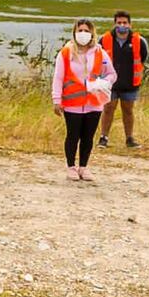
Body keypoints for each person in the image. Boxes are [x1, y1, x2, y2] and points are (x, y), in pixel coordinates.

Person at [52, 19, 116, 181]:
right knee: (73, 135)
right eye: (80, 30)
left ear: (92, 33)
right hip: (72, 103)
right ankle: (71, 166)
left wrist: (104, 83)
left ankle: (84, 167)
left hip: (94, 102)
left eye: (86, 31)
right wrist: (56, 99)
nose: (83, 34)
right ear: (74, 33)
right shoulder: (66, 53)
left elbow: (111, 73)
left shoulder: (99, 52)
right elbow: (58, 77)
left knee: (88, 136)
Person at [98, 10, 148, 149]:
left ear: (130, 24)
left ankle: (129, 138)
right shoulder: (104, 39)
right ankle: (103, 137)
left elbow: (143, 57)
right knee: (108, 109)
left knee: (128, 110)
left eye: (125, 22)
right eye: (119, 22)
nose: (122, 25)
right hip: (110, 83)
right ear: (114, 24)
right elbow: (97, 59)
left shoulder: (139, 41)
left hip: (130, 83)